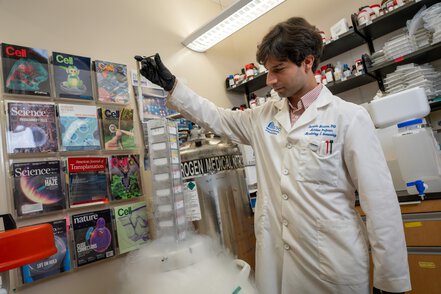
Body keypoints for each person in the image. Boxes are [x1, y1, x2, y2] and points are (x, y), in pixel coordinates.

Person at [138, 17, 411, 294]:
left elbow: (380, 204)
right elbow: (215, 118)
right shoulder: (263, 117)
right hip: (277, 263)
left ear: (307, 62)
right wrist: (173, 86)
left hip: (333, 264)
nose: (270, 81)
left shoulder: (349, 118)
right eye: (268, 71)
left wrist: (390, 281)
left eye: (278, 69)